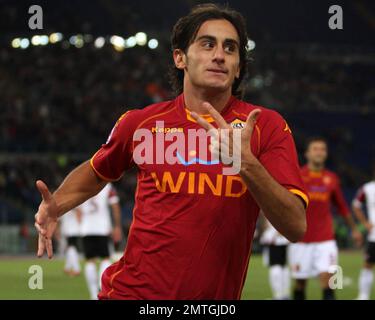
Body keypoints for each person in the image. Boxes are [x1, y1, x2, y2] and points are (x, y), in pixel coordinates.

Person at [34, 3, 307, 299]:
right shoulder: (142, 123)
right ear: (180, 58)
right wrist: (56, 205)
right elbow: (97, 171)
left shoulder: (265, 126)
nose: (219, 55)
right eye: (207, 44)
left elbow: (295, 226)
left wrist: (246, 164)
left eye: (230, 48)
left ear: (239, 66)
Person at [289, 137, 362, 300]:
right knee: (300, 284)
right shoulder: (298, 175)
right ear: (307, 154)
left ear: (326, 154)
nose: (319, 152)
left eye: (322, 149)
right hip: (301, 240)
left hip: (326, 240)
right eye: (315, 149)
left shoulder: (332, 178)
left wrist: (355, 230)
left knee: (330, 282)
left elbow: (342, 206)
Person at [79, 183, 122, 300]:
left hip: (86, 228)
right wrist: (117, 226)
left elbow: (77, 208)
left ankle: (93, 294)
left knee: (89, 261)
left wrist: (81, 224)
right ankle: (101, 288)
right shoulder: (108, 186)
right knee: (106, 258)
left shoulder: (82, 185)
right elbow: (115, 206)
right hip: (103, 228)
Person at [352, 163, 375, 300]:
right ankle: (363, 296)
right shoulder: (367, 188)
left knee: (367, 265)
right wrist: (365, 224)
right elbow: (356, 206)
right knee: (367, 265)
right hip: (374, 237)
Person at [259, 213, 290, 300]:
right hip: (282, 239)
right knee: (283, 267)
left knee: (276, 268)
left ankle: (279, 295)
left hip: (276, 241)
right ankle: (284, 294)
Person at [59, 208, 82, 276]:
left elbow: (79, 212)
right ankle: (67, 267)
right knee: (69, 248)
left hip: (71, 229)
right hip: (70, 229)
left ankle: (77, 269)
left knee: (71, 248)